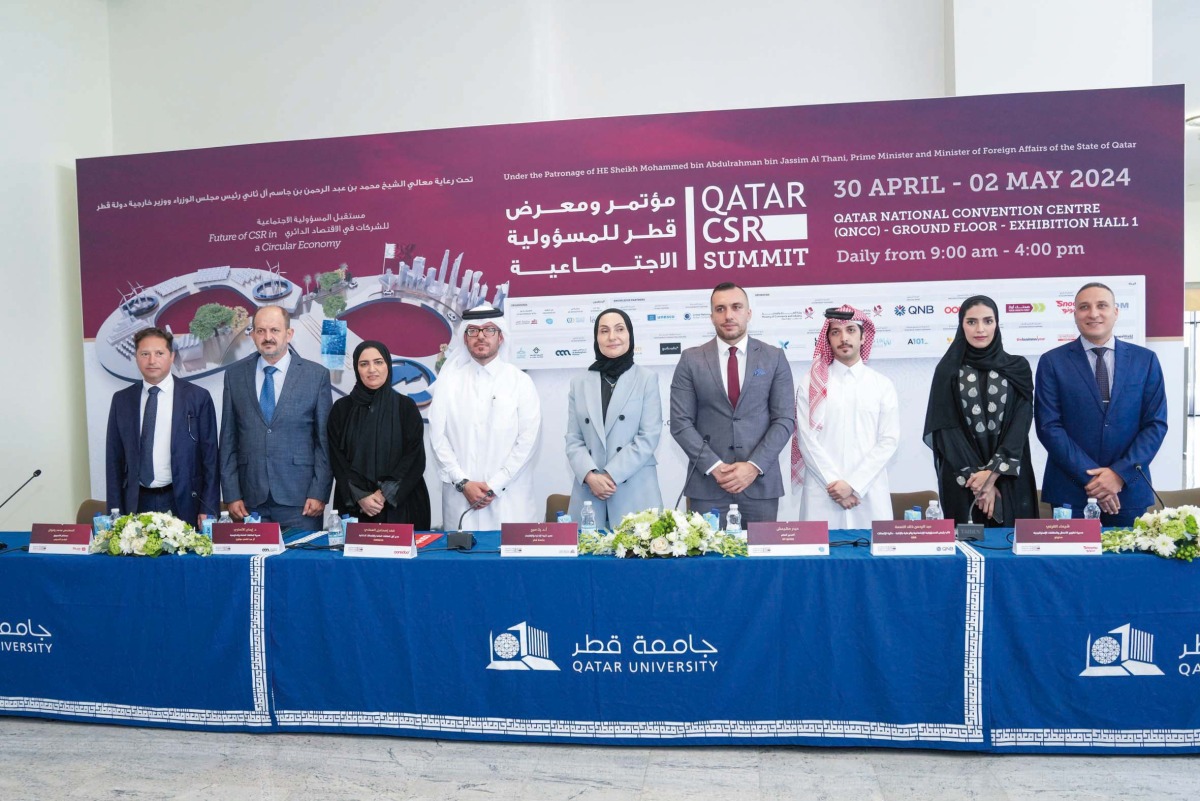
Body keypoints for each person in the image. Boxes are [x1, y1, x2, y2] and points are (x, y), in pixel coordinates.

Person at [1036, 282, 1167, 526]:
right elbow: (1048, 427)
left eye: (1102, 305)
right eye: (1084, 307)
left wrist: (1118, 475)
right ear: (1074, 314)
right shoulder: (1052, 362)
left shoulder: (1145, 360)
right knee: (1070, 565)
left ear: (1116, 312)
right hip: (1070, 491)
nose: (1093, 313)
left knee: (1128, 563)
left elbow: (1155, 424)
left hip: (1129, 492)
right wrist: (1094, 480)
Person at [669, 282, 795, 524]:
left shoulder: (774, 357)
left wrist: (753, 466)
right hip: (707, 487)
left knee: (760, 561)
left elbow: (784, 420)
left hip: (760, 485)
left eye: (736, 307)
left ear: (748, 313)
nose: (728, 315)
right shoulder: (690, 359)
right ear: (711, 317)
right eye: (720, 309)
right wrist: (715, 467)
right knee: (708, 562)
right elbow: (680, 423)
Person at [924, 296, 1038, 526]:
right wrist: (979, 480)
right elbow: (945, 428)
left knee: (1013, 550)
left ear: (997, 323)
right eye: (971, 322)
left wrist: (993, 473)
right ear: (961, 325)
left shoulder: (1017, 367)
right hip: (964, 479)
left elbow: (1021, 423)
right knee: (966, 550)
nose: (980, 329)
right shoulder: (948, 370)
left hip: (1009, 476)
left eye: (988, 321)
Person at [219, 305, 332, 530]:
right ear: (252, 335)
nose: (267, 337)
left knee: (299, 565)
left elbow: (324, 442)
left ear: (289, 334)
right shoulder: (234, 375)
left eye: (274, 330)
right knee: (250, 566)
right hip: (249, 501)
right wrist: (231, 494)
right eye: (260, 331)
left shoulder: (316, 376)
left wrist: (319, 492)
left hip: (301, 501)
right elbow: (228, 439)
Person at [428, 303, 541, 529]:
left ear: (500, 337)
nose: (481, 336)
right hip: (461, 500)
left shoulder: (520, 382)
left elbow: (528, 441)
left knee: (508, 561)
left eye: (489, 330)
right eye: (473, 331)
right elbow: (438, 439)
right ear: (465, 338)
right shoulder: (448, 383)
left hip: (508, 501)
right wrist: (462, 482)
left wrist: (495, 485)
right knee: (461, 563)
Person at [792, 306, 898, 528]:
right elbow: (806, 439)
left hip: (867, 492)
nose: (844, 338)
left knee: (873, 558)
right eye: (835, 332)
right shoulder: (811, 383)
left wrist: (854, 485)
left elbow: (889, 441)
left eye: (851, 330)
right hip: (823, 493)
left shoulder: (882, 385)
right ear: (827, 339)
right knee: (820, 559)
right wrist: (835, 485)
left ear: (863, 337)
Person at [105, 326, 219, 524]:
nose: (152, 360)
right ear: (136, 357)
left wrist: (208, 508)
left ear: (172, 356)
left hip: (183, 500)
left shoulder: (197, 397)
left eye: (159, 353)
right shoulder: (122, 400)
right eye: (145, 354)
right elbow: (113, 460)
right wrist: (115, 511)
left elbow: (210, 458)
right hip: (136, 501)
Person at [565, 309, 663, 527]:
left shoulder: (647, 379)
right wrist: (591, 476)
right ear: (596, 338)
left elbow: (648, 437)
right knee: (588, 559)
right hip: (589, 493)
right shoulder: (579, 383)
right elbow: (573, 439)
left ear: (630, 335)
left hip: (635, 492)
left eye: (619, 329)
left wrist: (609, 476)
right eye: (604, 331)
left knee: (638, 557)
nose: (612, 337)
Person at [327, 340, 431, 528]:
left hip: (401, 505)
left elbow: (413, 458)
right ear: (357, 368)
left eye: (378, 362)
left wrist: (384, 494)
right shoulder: (342, 410)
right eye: (364, 364)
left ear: (388, 366)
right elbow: (338, 460)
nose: (371, 369)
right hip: (355, 507)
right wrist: (361, 496)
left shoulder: (405, 407)